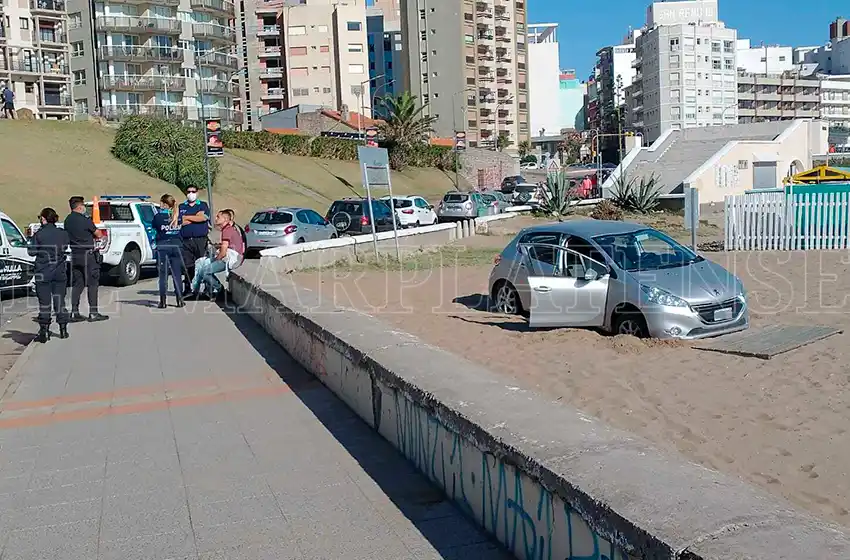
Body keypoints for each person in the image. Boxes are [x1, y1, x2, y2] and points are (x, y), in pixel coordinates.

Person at [28, 208, 70, 343]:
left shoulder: (39, 235)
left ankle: (44, 332)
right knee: (60, 301)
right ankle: (63, 330)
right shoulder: (63, 234)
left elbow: (32, 252)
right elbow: (65, 247)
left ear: (43, 219)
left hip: (43, 272)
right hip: (59, 272)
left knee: (44, 303)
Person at [65, 196, 108, 322]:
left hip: (75, 255)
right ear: (79, 207)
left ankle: (74, 311)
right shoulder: (85, 220)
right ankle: (93, 312)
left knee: (78, 283)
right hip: (88, 255)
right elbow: (98, 234)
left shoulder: (68, 220)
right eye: (83, 206)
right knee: (93, 283)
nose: (84, 208)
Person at [191, 209, 244, 299]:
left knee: (205, 271)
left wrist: (215, 260)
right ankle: (206, 291)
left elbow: (223, 253)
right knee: (202, 263)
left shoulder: (227, 230)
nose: (216, 218)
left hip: (231, 259)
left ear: (225, 220)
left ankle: (220, 290)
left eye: (218, 217)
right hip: (233, 257)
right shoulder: (228, 229)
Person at [151, 194, 185, 309]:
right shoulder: (178, 216)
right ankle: (180, 300)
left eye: (161, 203)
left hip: (163, 247)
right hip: (177, 246)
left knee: (163, 275)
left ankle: (163, 301)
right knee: (177, 274)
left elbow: (154, 229)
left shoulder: (158, 217)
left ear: (165, 204)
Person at [178, 186, 210, 295]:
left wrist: (187, 217)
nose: (191, 193)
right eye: (188, 191)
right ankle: (188, 288)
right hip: (186, 240)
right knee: (188, 265)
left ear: (197, 193)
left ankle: (207, 288)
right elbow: (180, 220)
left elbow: (203, 218)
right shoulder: (182, 206)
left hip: (200, 240)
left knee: (203, 264)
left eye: (193, 191)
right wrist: (194, 217)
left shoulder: (203, 205)